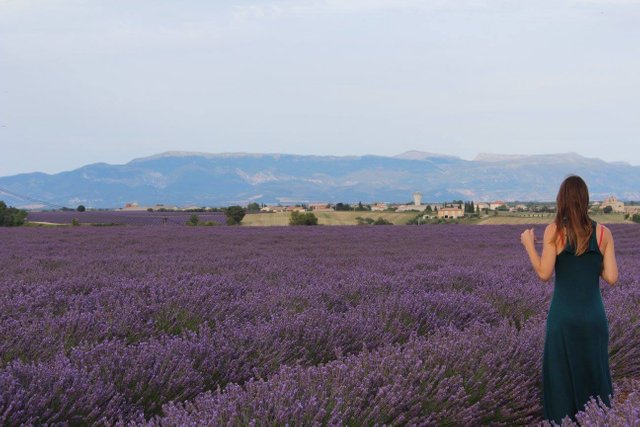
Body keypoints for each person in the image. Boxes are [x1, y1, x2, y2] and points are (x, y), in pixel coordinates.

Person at [520, 175, 618, 424]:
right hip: (594, 318)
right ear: (585, 200)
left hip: (563, 319)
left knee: (561, 377)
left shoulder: (555, 230)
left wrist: (529, 245)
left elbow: (544, 273)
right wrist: (590, 260)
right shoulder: (604, 233)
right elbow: (612, 277)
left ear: (561, 200)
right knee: (594, 373)